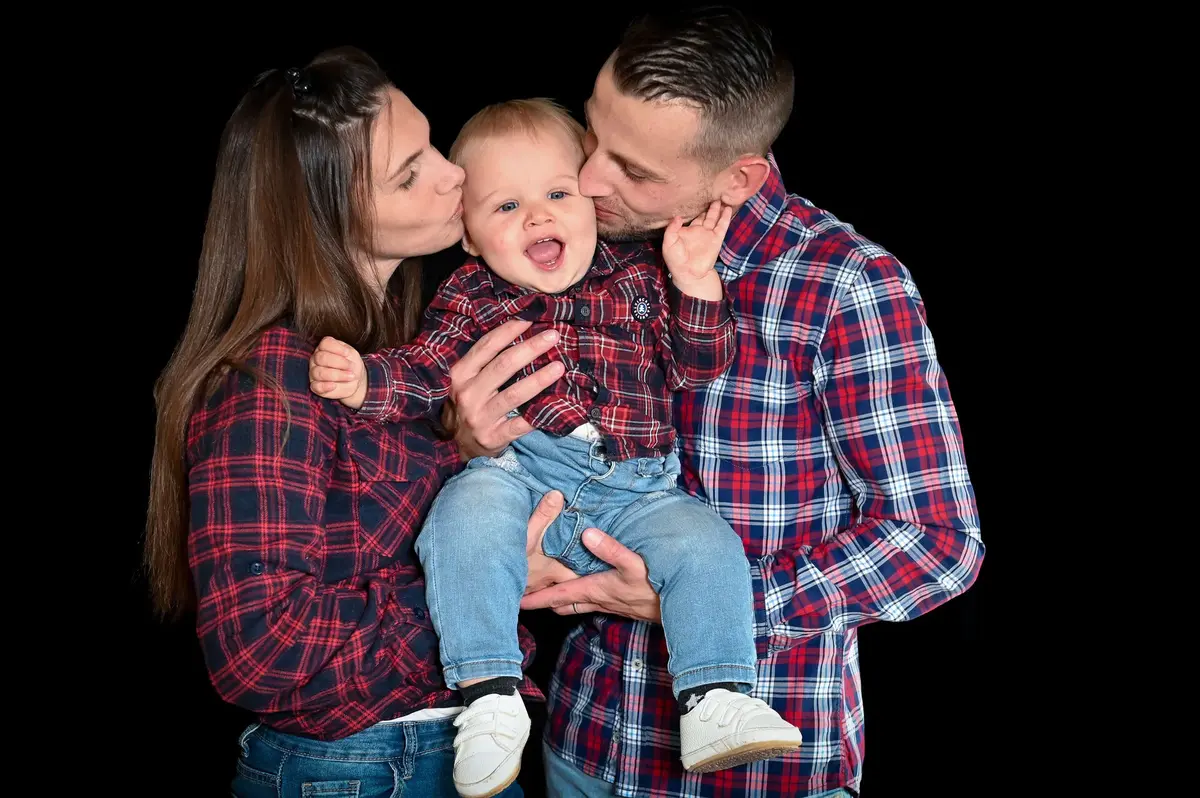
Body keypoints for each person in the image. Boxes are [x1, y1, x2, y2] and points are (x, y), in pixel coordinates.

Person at [450, 8, 987, 797]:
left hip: (769, 775)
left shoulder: (844, 286)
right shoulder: (563, 245)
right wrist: (470, 445)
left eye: (632, 170)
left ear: (735, 177)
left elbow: (938, 543)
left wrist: (694, 601)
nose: (589, 182)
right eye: (593, 140)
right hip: (588, 747)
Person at [308, 97, 804, 798]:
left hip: (637, 487)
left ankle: (715, 696)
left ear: (591, 204)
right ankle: (488, 693)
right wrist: (367, 380)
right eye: (505, 207)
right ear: (472, 238)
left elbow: (697, 367)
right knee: (462, 515)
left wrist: (697, 285)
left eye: (557, 193)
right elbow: (427, 368)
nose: (538, 216)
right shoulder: (471, 297)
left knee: (706, 544)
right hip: (524, 472)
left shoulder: (638, 274)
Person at [142, 45, 564, 797]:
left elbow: (374, 538)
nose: (454, 174)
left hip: (442, 749)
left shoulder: (394, 354)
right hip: (356, 771)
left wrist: (464, 449)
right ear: (325, 215)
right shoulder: (268, 383)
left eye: (431, 143)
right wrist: (482, 592)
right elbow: (259, 650)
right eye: (411, 173)